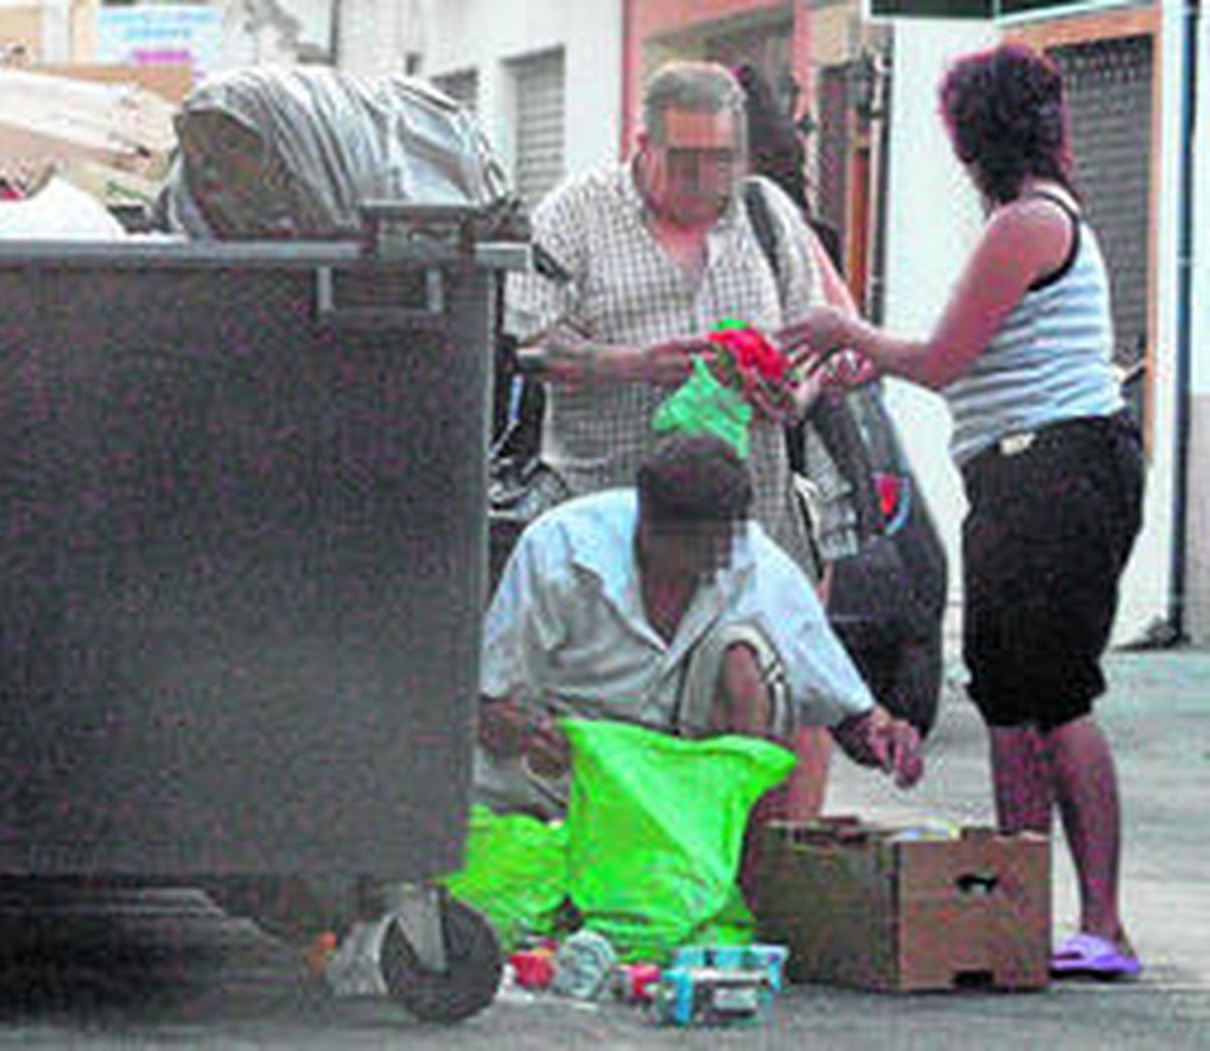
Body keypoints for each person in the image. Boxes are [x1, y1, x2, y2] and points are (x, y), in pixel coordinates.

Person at [780, 43, 1145, 979]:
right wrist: (875, 354)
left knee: (1056, 693)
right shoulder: (1024, 223)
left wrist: (845, 330)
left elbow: (940, 360)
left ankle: (1103, 923)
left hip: (1059, 471)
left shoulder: (1027, 222)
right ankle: (1016, 909)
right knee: (1005, 694)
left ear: (971, 135)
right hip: (1018, 475)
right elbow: (969, 356)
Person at [506, 59, 860, 817]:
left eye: (723, 160)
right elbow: (528, 345)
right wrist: (636, 364)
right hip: (610, 523)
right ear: (643, 144)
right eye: (687, 160)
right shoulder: (577, 213)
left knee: (762, 689)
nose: (707, 178)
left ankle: (764, 879)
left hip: (744, 518)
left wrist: (784, 391)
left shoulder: (766, 214)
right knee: (613, 725)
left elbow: (810, 352)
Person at [475, 432, 923, 899]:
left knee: (746, 658)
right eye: (682, 548)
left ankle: (751, 888)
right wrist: (533, 734)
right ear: (643, 522)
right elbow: (486, 705)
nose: (698, 565)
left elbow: (843, 708)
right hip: (557, 781)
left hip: (679, 796)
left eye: (713, 548)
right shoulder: (560, 548)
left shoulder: (760, 568)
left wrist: (883, 738)